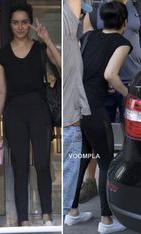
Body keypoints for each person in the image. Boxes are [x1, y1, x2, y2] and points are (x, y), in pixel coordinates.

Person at [65, 2, 132, 233]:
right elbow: (110, 74)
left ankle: (72, 212)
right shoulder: (122, 43)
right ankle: (106, 220)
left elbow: (86, 70)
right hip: (94, 108)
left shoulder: (88, 37)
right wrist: (128, 93)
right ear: (124, 22)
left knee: (83, 158)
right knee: (105, 161)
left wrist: (105, 86)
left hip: (78, 106)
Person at [0, 2, 61, 226]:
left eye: (24, 22)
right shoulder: (1, 55)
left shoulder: (40, 48)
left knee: (42, 163)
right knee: (19, 166)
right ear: (10, 25)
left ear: (29, 23)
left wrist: (47, 39)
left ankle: (47, 215)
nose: (20, 27)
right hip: (13, 113)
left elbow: (63, 67)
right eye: (15, 22)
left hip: (39, 110)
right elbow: (1, 90)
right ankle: (22, 219)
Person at [79, 0, 141, 204]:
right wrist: (128, 94)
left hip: (126, 80)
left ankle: (126, 181)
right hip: (104, 91)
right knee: (99, 149)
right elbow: (106, 71)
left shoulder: (136, 6)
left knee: (128, 136)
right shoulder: (97, 9)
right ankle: (101, 204)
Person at [63, 0, 91, 216]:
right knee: (66, 179)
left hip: (67, 118)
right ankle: (66, 214)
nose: (81, 17)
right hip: (69, 121)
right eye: (81, 13)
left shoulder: (72, 41)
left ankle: (70, 213)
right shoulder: (69, 30)